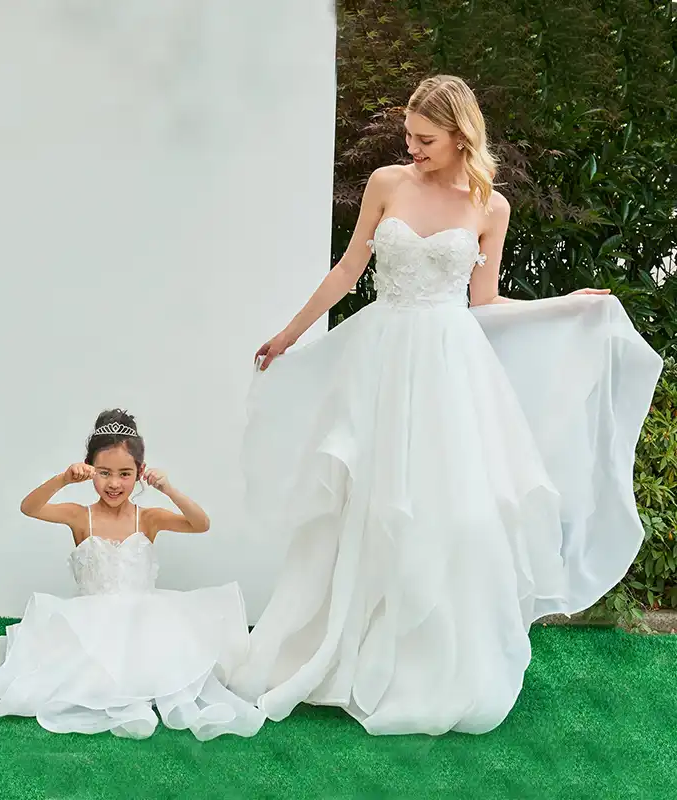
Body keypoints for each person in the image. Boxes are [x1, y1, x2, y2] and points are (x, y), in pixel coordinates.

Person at [229, 75, 663, 735]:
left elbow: (484, 303)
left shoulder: (491, 205)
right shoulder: (386, 183)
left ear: (462, 136)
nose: (412, 147)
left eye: (425, 138)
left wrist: (568, 306)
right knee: (368, 497)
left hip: (450, 370)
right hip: (382, 357)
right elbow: (348, 270)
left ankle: (427, 663)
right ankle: (346, 650)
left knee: (446, 506)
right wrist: (289, 334)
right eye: (408, 135)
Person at [0, 409, 265, 741]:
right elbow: (29, 507)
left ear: (139, 474)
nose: (114, 483)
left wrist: (168, 488)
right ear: (91, 471)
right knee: (74, 685)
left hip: (146, 621)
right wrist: (63, 479)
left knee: (153, 676)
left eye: (125, 473)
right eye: (104, 472)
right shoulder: (80, 516)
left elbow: (201, 524)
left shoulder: (146, 517)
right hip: (91, 622)